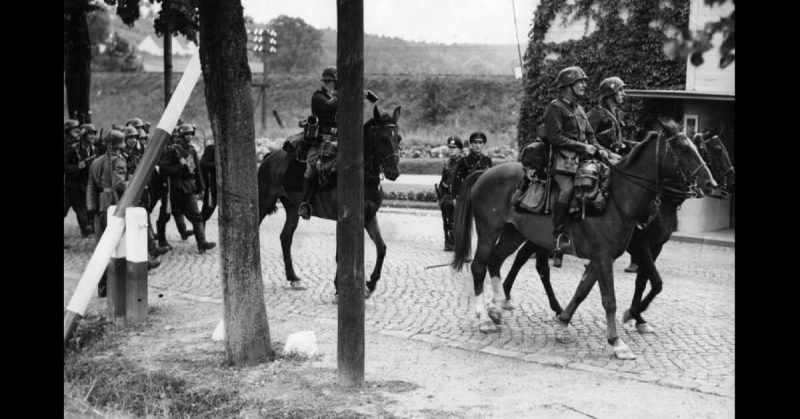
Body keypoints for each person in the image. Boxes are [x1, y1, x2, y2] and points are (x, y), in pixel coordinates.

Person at [544, 66, 612, 268]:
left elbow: (591, 136)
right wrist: (583, 147)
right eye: (579, 82)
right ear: (567, 86)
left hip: (582, 162)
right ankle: (557, 239)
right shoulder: (555, 107)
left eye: (584, 81)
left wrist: (601, 150)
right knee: (567, 191)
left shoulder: (580, 109)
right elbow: (554, 137)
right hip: (562, 163)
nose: (584, 85)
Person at [298, 67, 379, 220]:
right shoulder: (318, 97)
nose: (337, 86)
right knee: (312, 168)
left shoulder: (338, 97)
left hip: (340, 139)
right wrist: (346, 94)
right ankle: (305, 204)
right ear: (331, 82)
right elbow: (329, 106)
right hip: (320, 139)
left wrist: (360, 95)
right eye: (336, 83)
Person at [158, 123, 216, 253]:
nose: (189, 137)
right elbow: (163, 168)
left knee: (197, 216)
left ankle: (202, 242)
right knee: (165, 215)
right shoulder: (173, 150)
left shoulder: (191, 150)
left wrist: (201, 186)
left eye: (191, 134)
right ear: (181, 136)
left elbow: (196, 170)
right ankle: (161, 239)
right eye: (186, 134)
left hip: (188, 187)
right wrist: (179, 166)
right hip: (174, 188)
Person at [87, 130, 129, 297]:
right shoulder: (119, 161)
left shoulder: (95, 162)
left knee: (101, 248)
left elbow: (90, 186)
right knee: (119, 245)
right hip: (114, 205)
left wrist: (92, 208)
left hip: (100, 207)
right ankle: (118, 285)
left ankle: (102, 286)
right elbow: (120, 184)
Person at [587, 77, 637, 157]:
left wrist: (638, 146)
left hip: (616, 159)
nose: (624, 94)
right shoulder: (596, 114)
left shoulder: (617, 114)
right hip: (600, 160)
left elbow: (618, 142)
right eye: (620, 90)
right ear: (610, 93)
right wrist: (609, 154)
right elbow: (587, 141)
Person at [64, 123, 98, 237]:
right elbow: (65, 166)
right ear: (83, 136)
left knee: (83, 212)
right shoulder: (73, 150)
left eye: (94, 134)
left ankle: (87, 233)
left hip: (83, 187)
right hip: (70, 188)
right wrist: (77, 167)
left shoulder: (94, 150)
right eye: (90, 134)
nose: (93, 136)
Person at [436, 136, 464, 251]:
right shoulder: (447, 163)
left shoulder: (464, 162)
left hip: (459, 196)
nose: (451, 150)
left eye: (454, 147)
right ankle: (448, 242)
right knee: (447, 220)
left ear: (460, 149)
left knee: (457, 220)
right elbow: (443, 180)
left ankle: (458, 242)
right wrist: (440, 196)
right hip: (447, 195)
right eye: (450, 147)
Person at [451, 131, 493, 200]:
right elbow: (457, 180)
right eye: (475, 143)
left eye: (480, 143)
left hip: (484, 196)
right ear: (471, 144)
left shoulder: (487, 161)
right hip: (468, 196)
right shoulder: (464, 161)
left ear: (483, 144)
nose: (478, 145)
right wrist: (455, 196)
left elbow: (491, 180)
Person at [200, 141, 217, 229]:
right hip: (211, 185)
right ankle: (200, 234)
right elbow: (202, 164)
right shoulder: (211, 148)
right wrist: (217, 164)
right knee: (207, 210)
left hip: (217, 185)